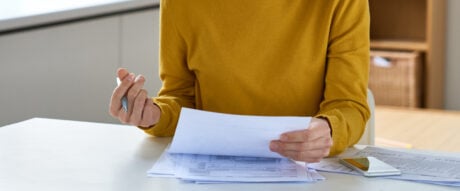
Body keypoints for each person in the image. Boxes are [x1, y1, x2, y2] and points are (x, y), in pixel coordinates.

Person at [109, 0, 370, 163]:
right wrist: (152, 114)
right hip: (212, 173)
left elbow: (349, 105)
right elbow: (182, 100)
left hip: (306, 172)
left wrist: (328, 130)